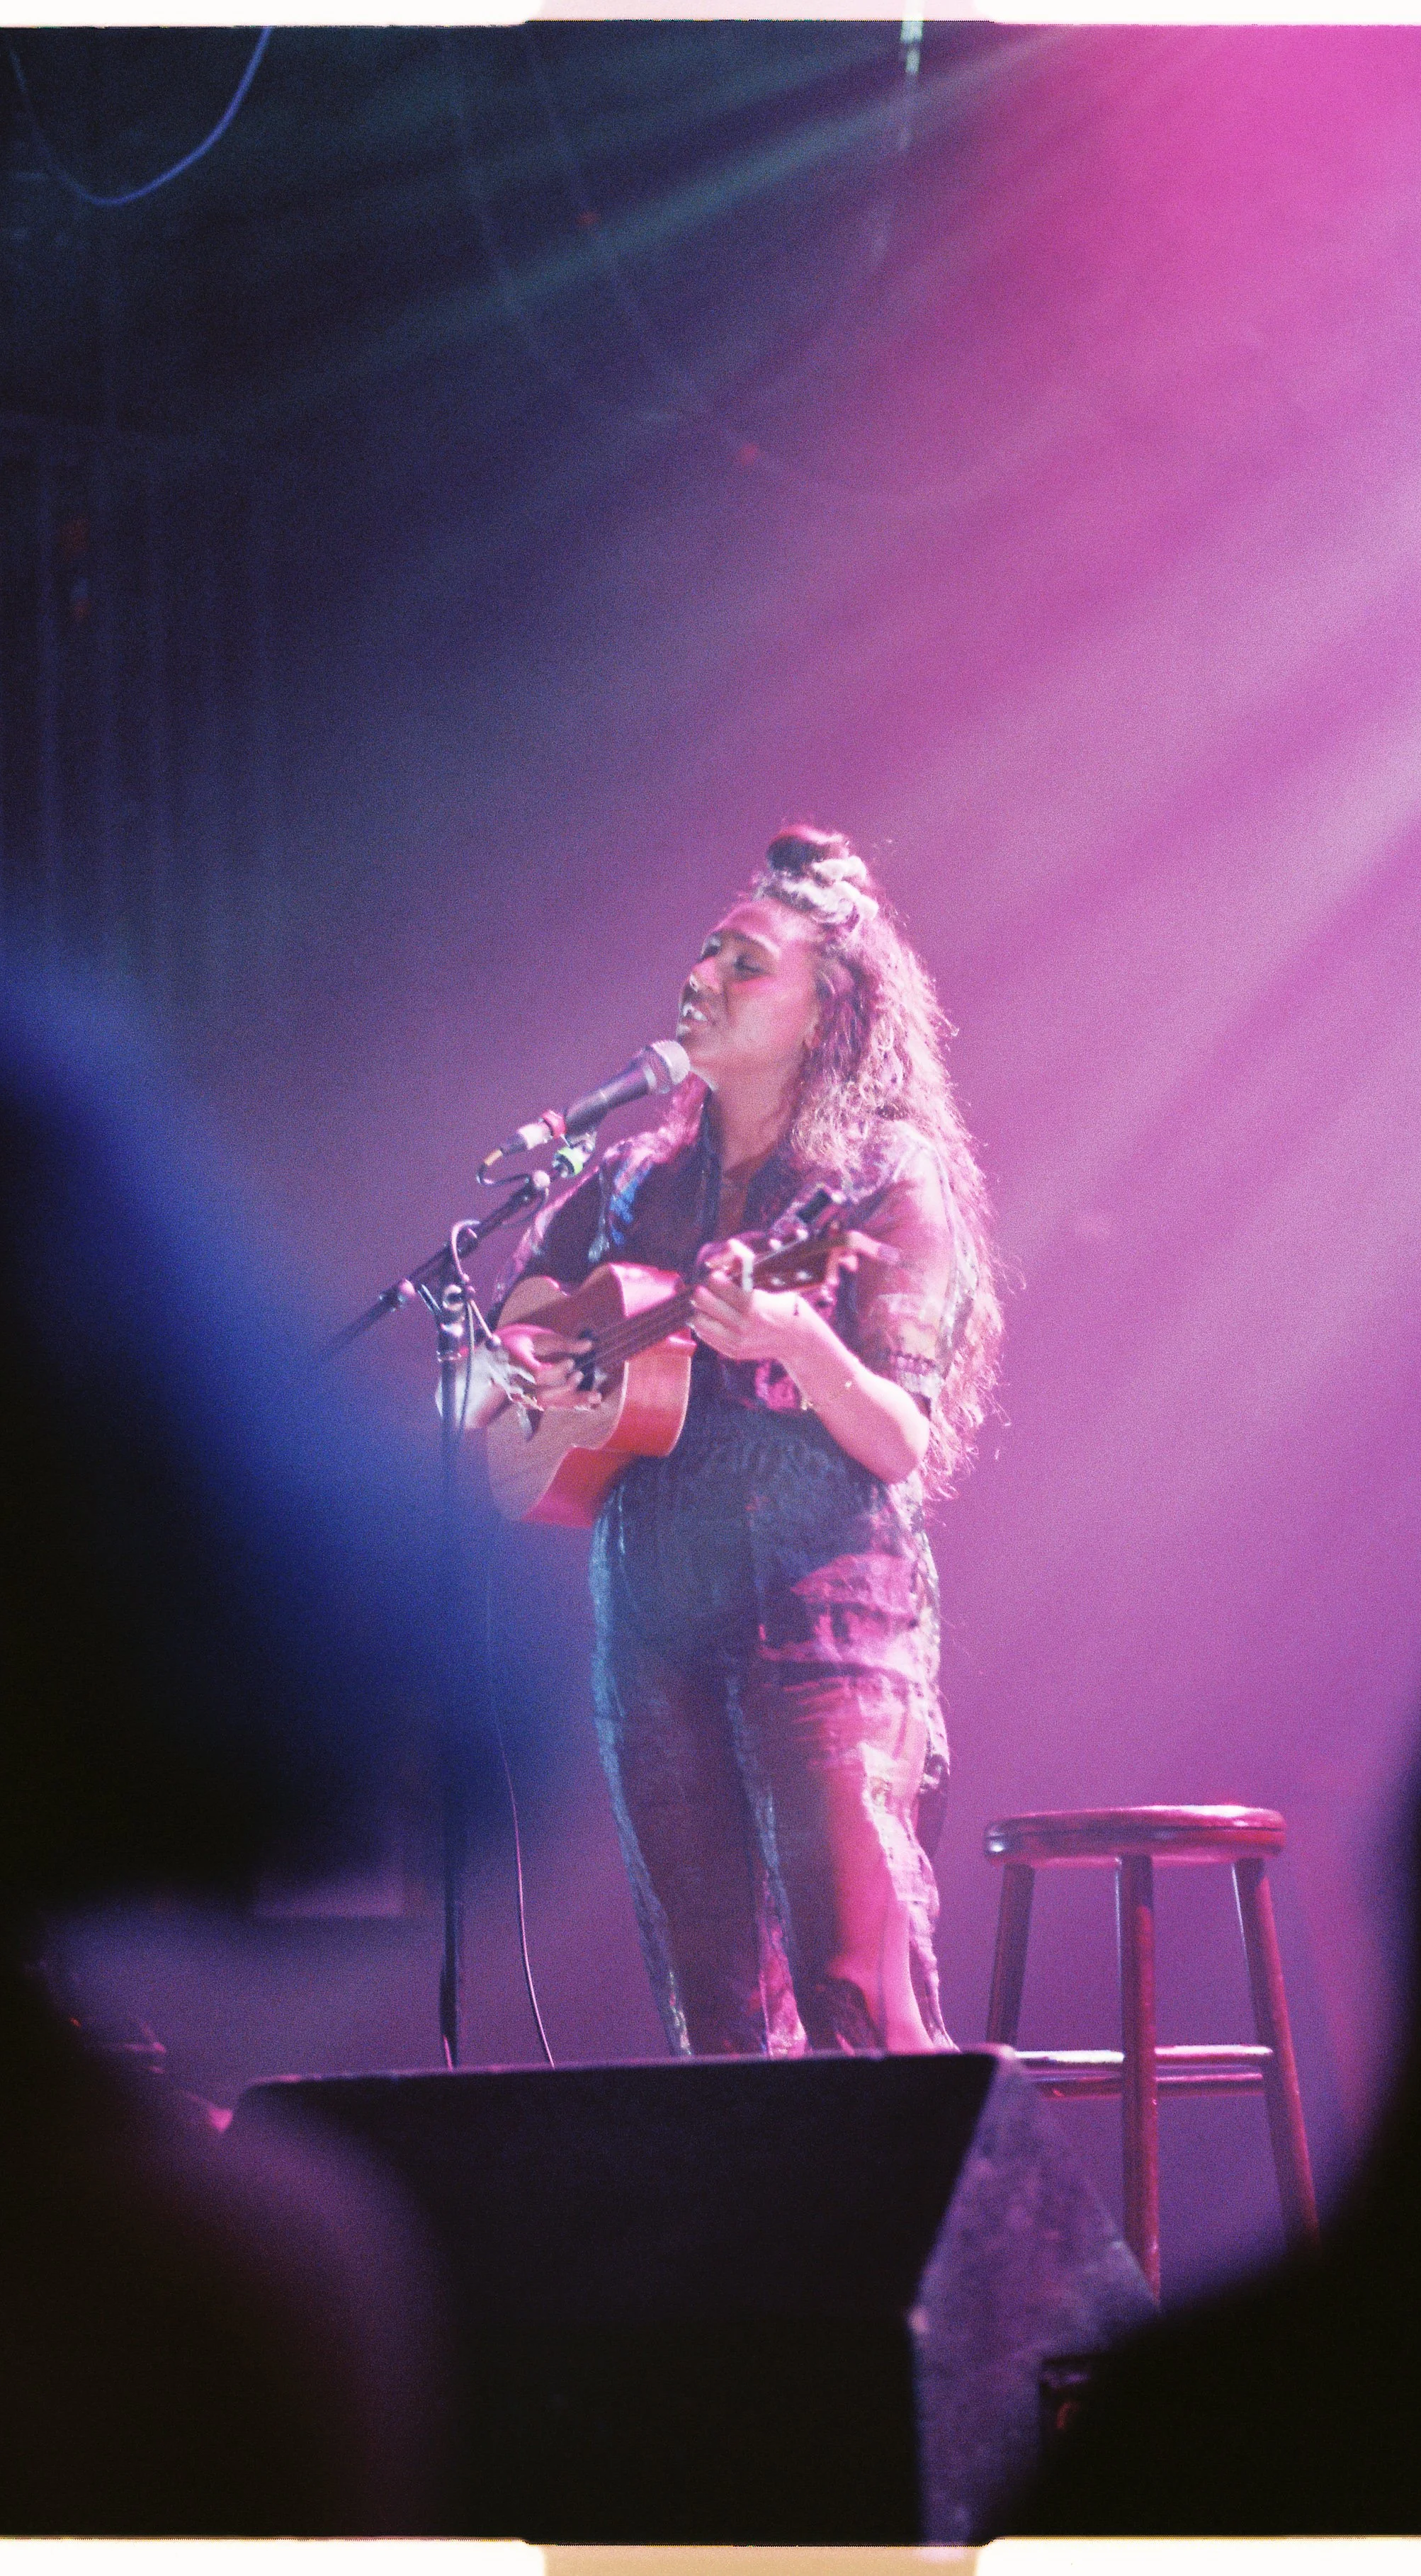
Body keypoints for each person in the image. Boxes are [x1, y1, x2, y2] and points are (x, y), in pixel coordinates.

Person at [473, 827, 1002, 2057]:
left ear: (827, 1014)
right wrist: (526, 1361)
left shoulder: (881, 1178)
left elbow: (903, 1440)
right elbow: (510, 1340)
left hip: (823, 1618)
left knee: (858, 2001)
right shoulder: (626, 1185)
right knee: (714, 2018)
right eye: (705, 950)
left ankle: (914, 2243)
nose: (701, 975)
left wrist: (797, 1342)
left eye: (744, 961)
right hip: (650, 1623)